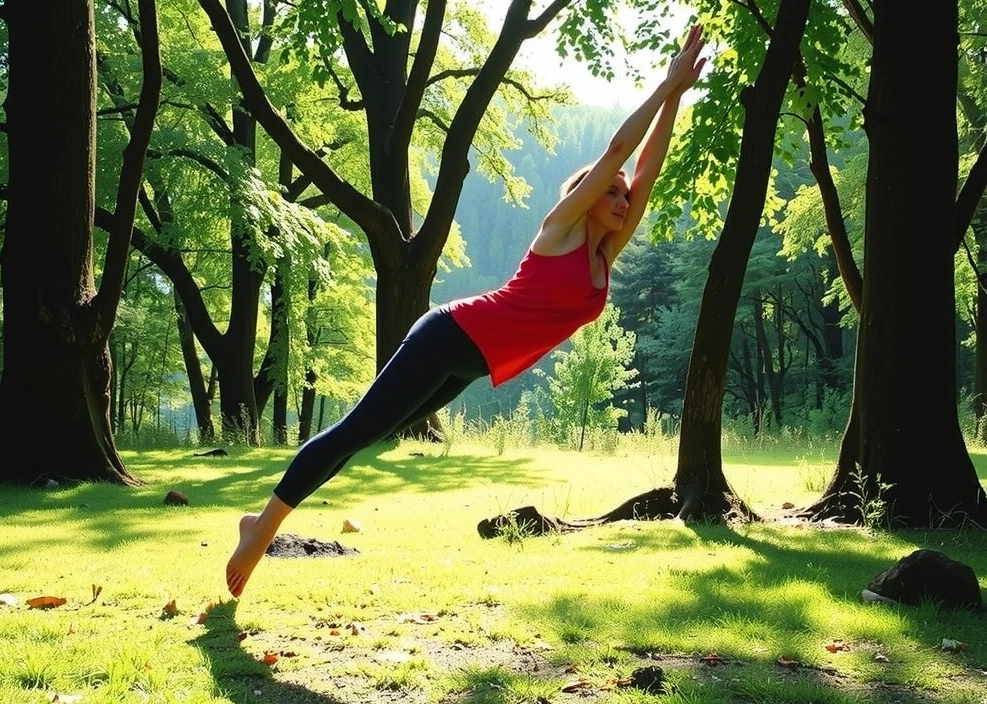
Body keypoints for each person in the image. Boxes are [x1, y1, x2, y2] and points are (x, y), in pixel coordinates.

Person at [225, 24, 706, 598]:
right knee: (356, 429)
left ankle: (264, 522)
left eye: (626, 197)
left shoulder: (604, 256)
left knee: (368, 438)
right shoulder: (558, 232)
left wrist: (679, 97)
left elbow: (644, 167)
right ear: (583, 200)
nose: (625, 200)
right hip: (448, 337)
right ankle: (261, 528)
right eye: (612, 192)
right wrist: (663, 85)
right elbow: (621, 152)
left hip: (466, 364)